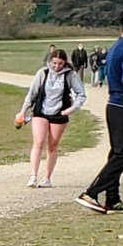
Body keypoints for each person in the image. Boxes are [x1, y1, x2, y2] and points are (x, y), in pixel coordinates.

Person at [77, 10, 123, 213]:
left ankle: (112, 199)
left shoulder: (117, 46)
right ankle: (91, 192)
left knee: (118, 152)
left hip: (115, 105)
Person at [17, 49, 87, 188]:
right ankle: (33, 176)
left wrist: (71, 109)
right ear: (50, 61)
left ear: (65, 63)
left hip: (59, 114)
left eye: (60, 64)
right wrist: (22, 112)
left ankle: (47, 178)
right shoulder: (42, 73)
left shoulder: (70, 75)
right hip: (41, 112)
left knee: (52, 145)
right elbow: (31, 94)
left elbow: (81, 95)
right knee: (38, 142)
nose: (57, 67)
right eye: (54, 63)